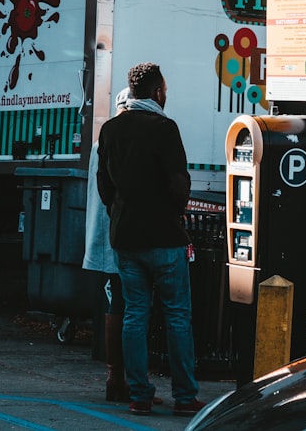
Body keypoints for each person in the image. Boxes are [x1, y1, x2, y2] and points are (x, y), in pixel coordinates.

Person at [96, 62, 205, 417]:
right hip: (164, 238)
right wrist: (176, 207)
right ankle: (185, 396)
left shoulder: (111, 130)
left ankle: (139, 394)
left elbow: (104, 185)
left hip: (126, 238)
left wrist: (120, 210)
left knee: (134, 316)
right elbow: (178, 183)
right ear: (158, 91)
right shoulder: (164, 128)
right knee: (176, 316)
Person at [83, 87, 132, 402]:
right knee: (123, 305)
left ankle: (121, 377)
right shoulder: (116, 142)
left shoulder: (104, 140)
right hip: (117, 237)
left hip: (108, 237)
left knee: (121, 303)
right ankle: (117, 377)